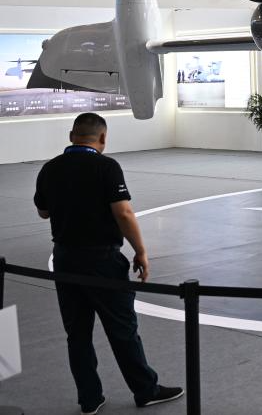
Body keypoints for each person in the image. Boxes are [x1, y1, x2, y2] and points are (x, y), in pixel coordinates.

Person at [33, 113, 184, 414]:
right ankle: (145, 390)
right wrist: (140, 251)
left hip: (65, 259)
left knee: (77, 333)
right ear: (102, 138)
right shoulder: (106, 166)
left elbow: (43, 212)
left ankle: (89, 399)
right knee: (122, 328)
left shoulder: (50, 168)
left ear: (71, 135)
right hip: (101, 259)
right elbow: (123, 213)